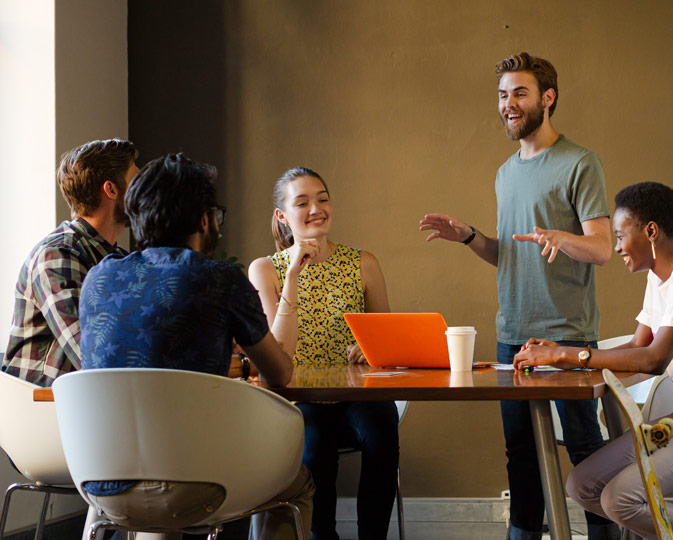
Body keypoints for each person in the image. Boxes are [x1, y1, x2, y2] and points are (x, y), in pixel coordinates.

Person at [419, 52, 617, 540]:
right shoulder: (505, 173)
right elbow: (509, 256)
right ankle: (523, 533)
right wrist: (469, 237)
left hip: (566, 334)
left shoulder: (579, 162)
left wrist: (561, 238)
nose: (509, 104)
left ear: (547, 99)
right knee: (520, 451)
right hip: (511, 336)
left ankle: (607, 532)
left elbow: (603, 248)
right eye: (503, 95)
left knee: (585, 446)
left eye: (520, 93)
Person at [514, 182, 673, 540]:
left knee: (621, 499)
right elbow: (638, 344)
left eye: (621, 235)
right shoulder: (658, 275)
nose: (617, 246)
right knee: (583, 484)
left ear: (650, 231)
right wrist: (565, 357)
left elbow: (652, 359)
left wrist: (567, 354)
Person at [78, 153, 314, 540]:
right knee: (298, 482)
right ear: (205, 220)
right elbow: (280, 374)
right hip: (195, 486)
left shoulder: (98, 279)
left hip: (102, 485)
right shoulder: (220, 279)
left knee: (162, 488)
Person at [248, 167, 398, 540]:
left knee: (383, 432)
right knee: (314, 451)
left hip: (355, 394)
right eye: (302, 202)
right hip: (300, 398)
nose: (316, 208)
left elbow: (388, 341)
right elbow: (278, 352)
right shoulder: (266, 269)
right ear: (283, 216)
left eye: (323, 198)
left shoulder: (363, 263)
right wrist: (295, 274)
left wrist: (369, 348)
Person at [3, 139, 138, 386]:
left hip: (88, 406)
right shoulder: (56, 255)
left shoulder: (119, 258)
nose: (144, 192)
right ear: (111, 190)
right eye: (136, 181)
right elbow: (91, 355)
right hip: (44, 410)